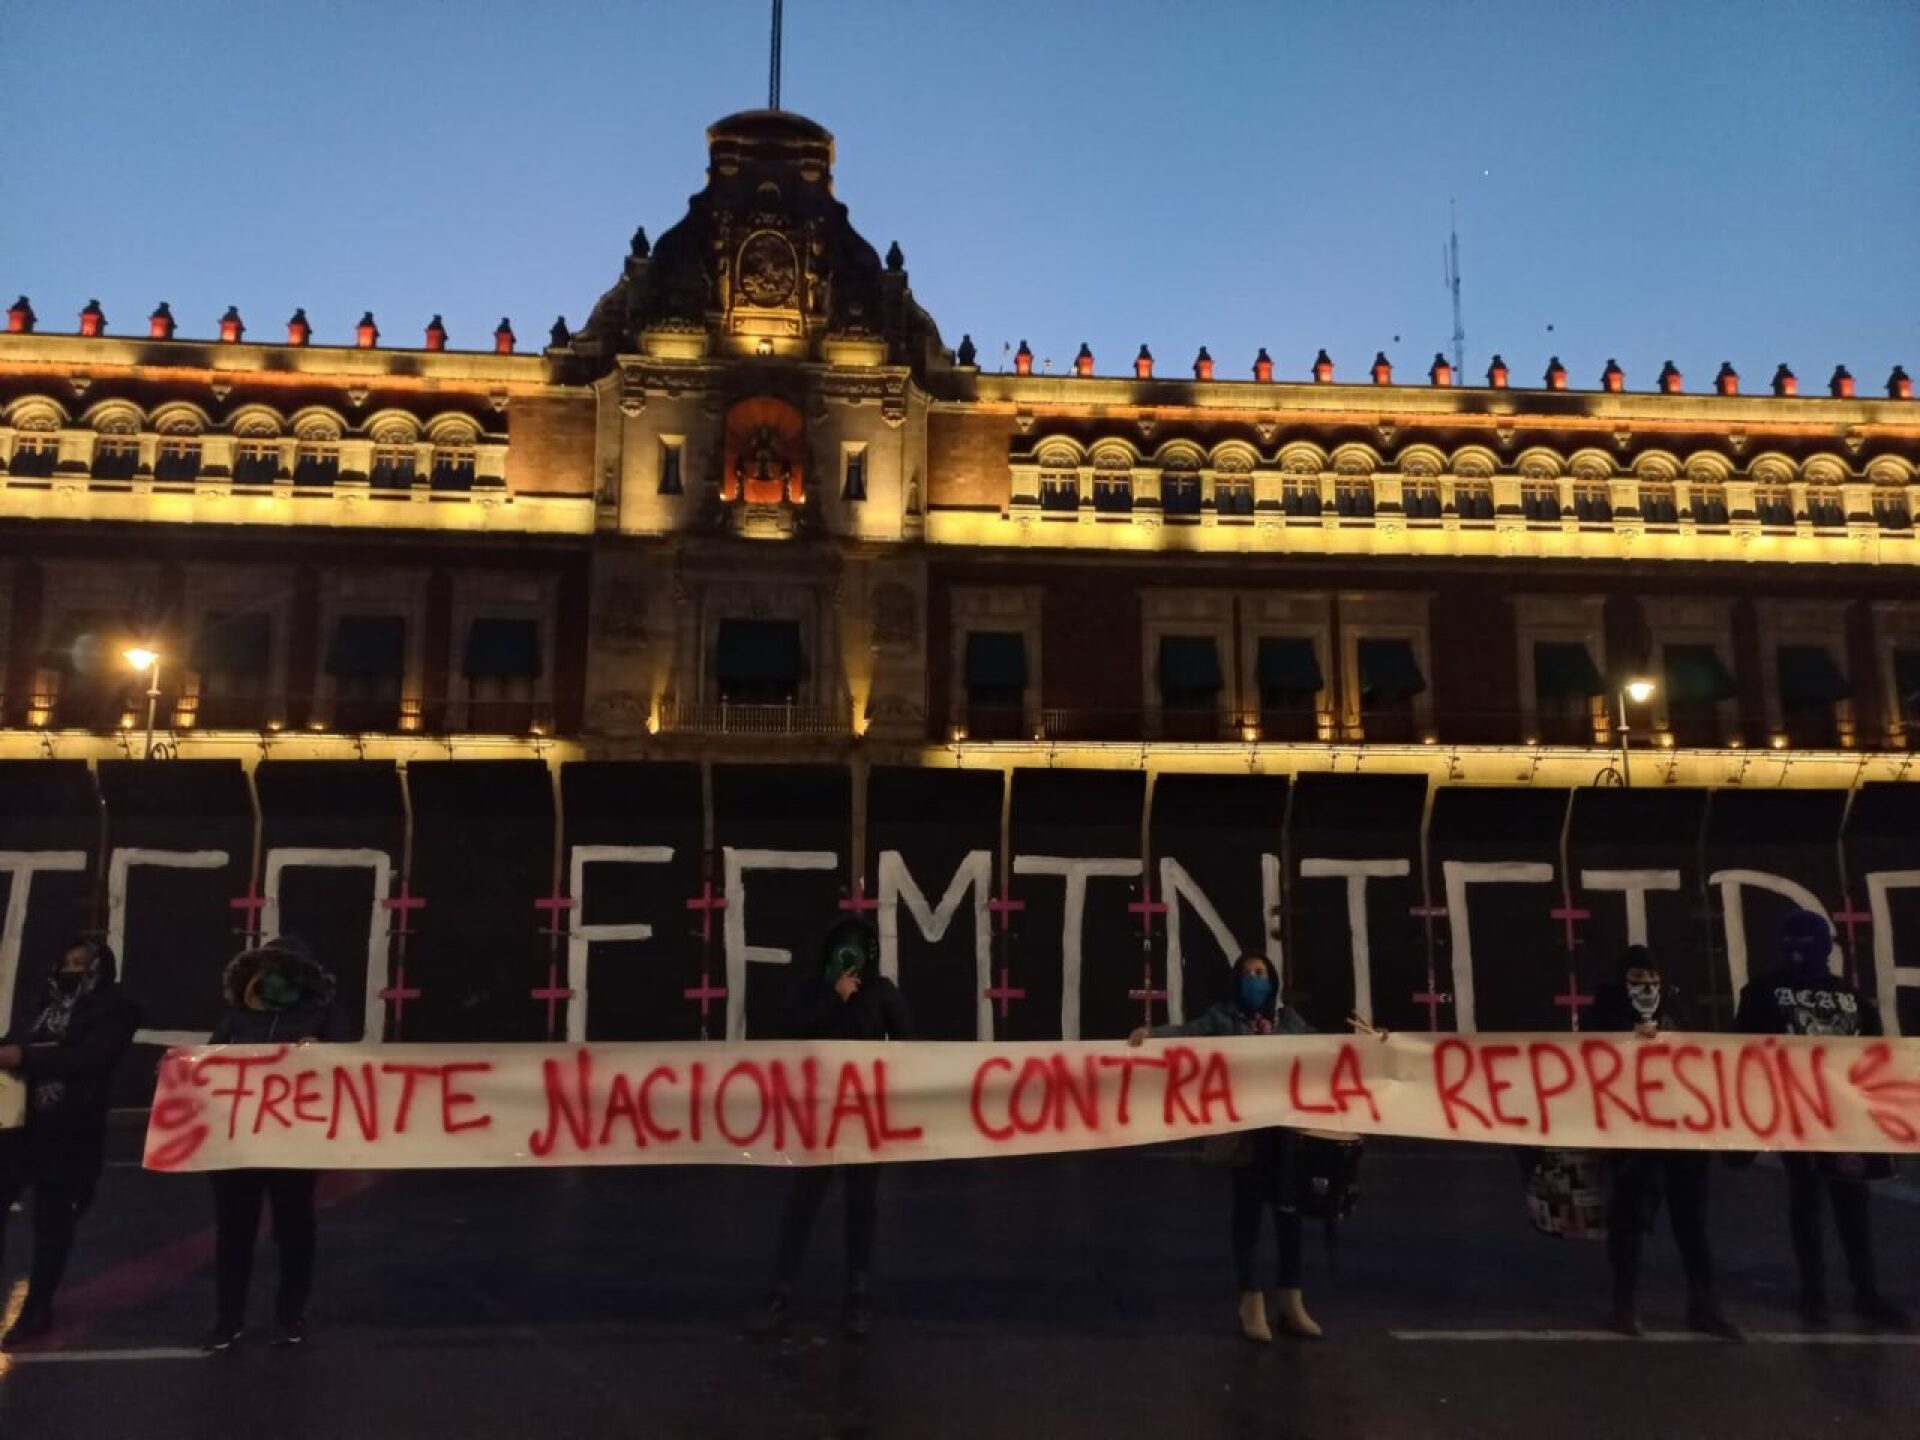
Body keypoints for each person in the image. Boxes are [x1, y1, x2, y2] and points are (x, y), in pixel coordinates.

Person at [1129, 951, 1321, 1344]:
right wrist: (1151, 1036)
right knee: (1248, 1216)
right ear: (1237, 980)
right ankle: (1250, 1302)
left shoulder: (1289, 1022)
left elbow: (1330, 1047)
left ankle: (1291, 1301)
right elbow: (1188, 1034)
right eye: (1249, 973)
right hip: (1245, 1136)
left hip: (1285, 1135)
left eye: (1262, 973)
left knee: (1289, 1217)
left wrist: (1375, 1043)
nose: (1256, 979)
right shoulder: (1222, 1018)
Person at [1736, 909, 1910, 1331]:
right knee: (1814, 1202)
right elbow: (1740, 1052)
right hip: (1799, 1114)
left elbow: (1874, 1060)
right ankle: (1823, 1294)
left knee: (1845, 1205)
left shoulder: (1782, 991)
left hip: (1840, 1116)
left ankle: (1855, 1293)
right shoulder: (1774, 991)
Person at [746, 917, 911, 1340]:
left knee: (861, 1206)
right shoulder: (810, 990)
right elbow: (787, 1037)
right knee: (803, 1204)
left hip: (864, 1121)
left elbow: (914, 1048)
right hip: (818, 1119)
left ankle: (857, 1296)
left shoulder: (881, 992)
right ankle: (780, 1293)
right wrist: (833, 1001)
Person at [202, 935, 350, 1353]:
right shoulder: (237, 1017)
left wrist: (324, 1053)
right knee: (234, 1234)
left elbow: (346, 1062)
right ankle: (228, 1320)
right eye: (268, 970)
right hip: (237, 1143)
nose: (274, 978)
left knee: (294, 1231)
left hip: (293, 1143)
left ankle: (289, 1316)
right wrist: (183, 1072)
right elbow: (211, 1059)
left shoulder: (323, 1014)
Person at [1589, 945, 1740, 1339]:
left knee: (1692, 1221)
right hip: (1633, 1135)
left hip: (1680, 1131)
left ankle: (1704, 1305)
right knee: (1631, 1220)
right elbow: (1589, 1060)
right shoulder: (1603, 1014)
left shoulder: (1676, 1012)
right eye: (1638, 982)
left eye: (1652, 982)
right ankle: (1625, 1305)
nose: (1646, 989)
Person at [0, 935, 140, 1348]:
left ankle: (37, 1309)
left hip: (70, 1129)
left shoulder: (116, 1007)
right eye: (67, 959)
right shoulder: (40, 1001)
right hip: (19, 1126)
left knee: (52, 1220)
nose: (72, 968)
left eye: (82, 962)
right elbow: (16, 1040)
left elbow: (91, 1060)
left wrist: (27, 1059)